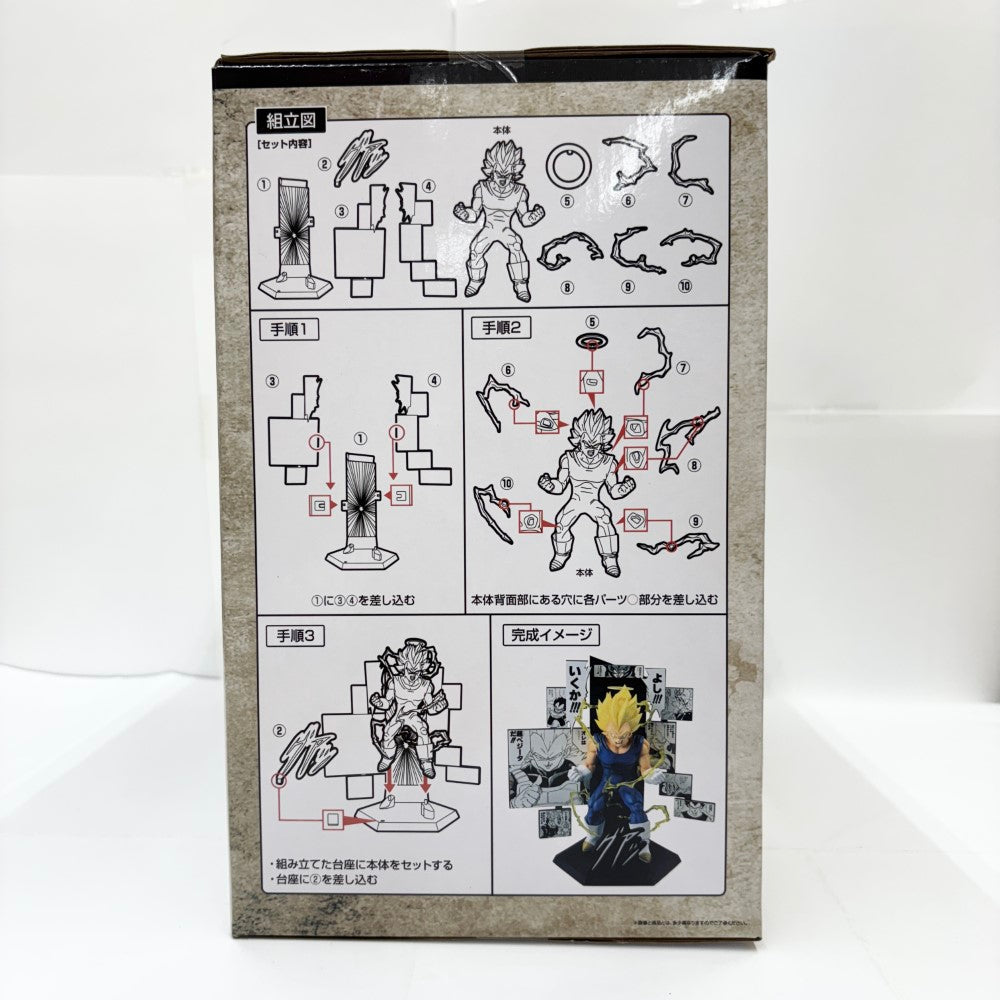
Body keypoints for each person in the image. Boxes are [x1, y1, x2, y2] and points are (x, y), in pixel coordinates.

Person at [568, 687, 667, 862]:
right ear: (605, 731)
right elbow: (589, 765)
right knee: (594, 806)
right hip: (606, 781)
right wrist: (579, 771)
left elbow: (645, 768)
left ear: (632, 730)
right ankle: (593, 836)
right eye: (614, 735)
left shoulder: (640, 744)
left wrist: (651, 775)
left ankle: (643, 844)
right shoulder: (597, 742)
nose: (619, 740)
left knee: (635, 806)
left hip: (627, 782)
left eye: (624, 735)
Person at [539, 408, 636, 577]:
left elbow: (614, 491)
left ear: (603, 442)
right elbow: (560, 486)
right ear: (579, 440)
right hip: (575, 500)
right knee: (561, 522)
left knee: (605, 520)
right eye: (586, 444)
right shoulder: (568, 459)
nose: (591, 449)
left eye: (596, 445)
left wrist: (624, 488)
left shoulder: (609, 462)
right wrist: (549, 485)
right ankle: (561, 555)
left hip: (593, 501)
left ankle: (610, 559)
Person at [453, 140, 545, 302]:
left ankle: (521, 284)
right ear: (491, 171)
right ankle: (475, 280)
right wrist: (464, 214)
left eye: (507, 175)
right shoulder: (482, 188)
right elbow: (474, 214)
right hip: (488, 228)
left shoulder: (520, 191)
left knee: (516, 247)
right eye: (498, 174)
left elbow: (524, 219)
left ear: (514, 173)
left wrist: (534, 217)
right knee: (476, 249)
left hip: (505, 229)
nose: (502, 179)